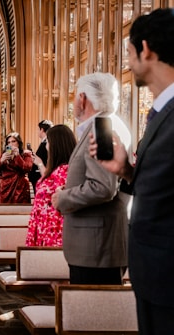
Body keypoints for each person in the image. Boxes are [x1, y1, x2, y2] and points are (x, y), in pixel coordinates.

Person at [89, 9, 174, 334]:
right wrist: (126, 170)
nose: (127, 63)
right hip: (153, 276)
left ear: (147, 49)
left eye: (128, 52)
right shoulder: (161, 111)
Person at [51, 72, 131, 285]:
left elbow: (103, 187)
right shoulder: (104, 126)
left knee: (93, 315)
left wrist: (63, 198)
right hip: (97, 245)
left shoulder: (101, 129)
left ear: (83, 99)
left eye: (76, 95)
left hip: (96, 248)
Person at [25, 125, 76, 247]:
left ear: (57, 144)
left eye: (47, 141)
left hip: (53, 228)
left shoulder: (65, 171)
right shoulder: (56, 169)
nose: (46, 146)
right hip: (43, 225)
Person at [0, 132, 33, 203]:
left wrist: (17, 156)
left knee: (21, 209)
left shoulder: (26, 154)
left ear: (19, 143)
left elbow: (27, 168)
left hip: (20, 186)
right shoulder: (4, 154)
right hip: (6, 186)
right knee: (5, 210)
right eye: (8, 142)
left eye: (13, 141)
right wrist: (1, 161)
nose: (11, 144)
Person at [28, 120, 53, 193]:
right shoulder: (44, 142)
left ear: (42, 130)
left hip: (40, 176)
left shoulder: (46, 143)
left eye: (38, 129)